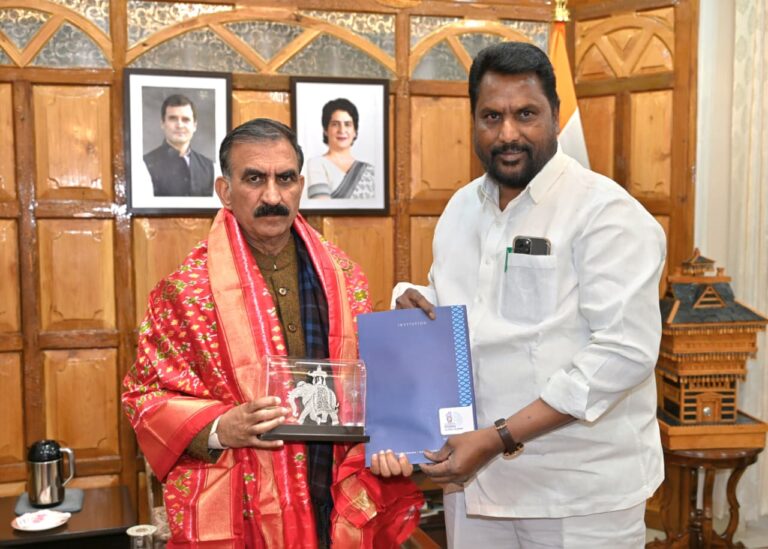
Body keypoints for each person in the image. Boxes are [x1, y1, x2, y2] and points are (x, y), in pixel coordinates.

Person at [393, 41, 666, 548]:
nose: (507, 133)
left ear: (555, 116)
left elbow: (624, 353)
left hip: (578, 495)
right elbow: (468, 309)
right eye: (491, 116)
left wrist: (499, 436)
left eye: (525, 114)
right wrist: (416, 304)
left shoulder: (606, 213)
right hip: (473, 483)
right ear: (473, 119)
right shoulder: (459, 209)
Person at [123, 118, 422, 548]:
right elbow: (145, 397)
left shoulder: (345, 277)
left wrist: (393, 440)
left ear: (300, 185)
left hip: (332, 495)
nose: (272, 196)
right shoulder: (185, 292)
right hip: (242, 506)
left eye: (284, 179)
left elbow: (372, 385)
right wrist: (220, 426)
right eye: (254, 179)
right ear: (225, 191)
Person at [143, 94, 214, 197]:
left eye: (185, 119)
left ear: (194, 126)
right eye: (173, 119)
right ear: (162, 123)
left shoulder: (210, 167)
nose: (179, 125)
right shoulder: (145, 165)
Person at [305, 98, 375, 200]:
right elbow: (322, 205)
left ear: (355, 131)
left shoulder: (369, 171)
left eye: (347, 124)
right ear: (325, 130)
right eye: (335, 124)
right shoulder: (316, 164)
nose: (342, 130)